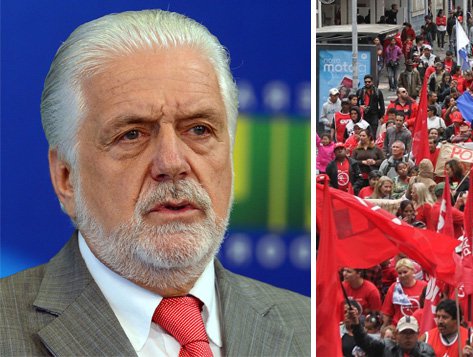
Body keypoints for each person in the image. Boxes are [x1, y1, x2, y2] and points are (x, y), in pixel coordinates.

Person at [0, 10, 309, 356]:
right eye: (131, 134)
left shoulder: (307, 326)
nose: (172, 163)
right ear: (66, 178)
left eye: (199, 130)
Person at [347, 309, 436, 357]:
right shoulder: (386, 347)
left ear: (418, 334)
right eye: (404, 332)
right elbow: (365, 342)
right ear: (397, 334)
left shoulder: (426, 351)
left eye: (411, 333)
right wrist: (356, 324)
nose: (408, 337)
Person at [380, 258, 428, 325]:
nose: (402, 275)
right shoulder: (394, 287)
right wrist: (385, 327)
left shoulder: (424, 286)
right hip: (398, 327)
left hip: (419, 325)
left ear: (413, 271)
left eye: (405, 272)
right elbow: (387, 313)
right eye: (400, 273)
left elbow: (428, 310)